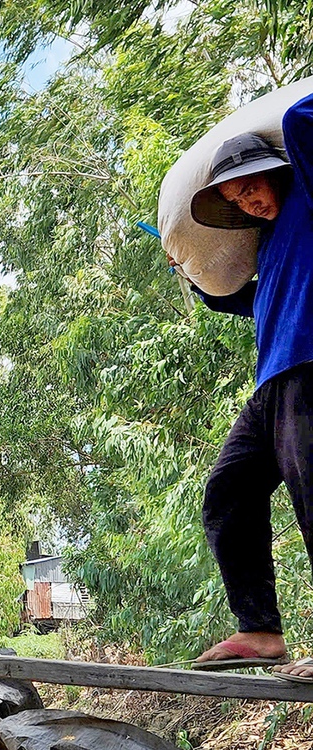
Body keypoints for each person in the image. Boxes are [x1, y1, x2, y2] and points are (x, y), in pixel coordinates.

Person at [182, 91, 313, 683]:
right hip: (272, 388)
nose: (249, 202)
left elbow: (299, 119)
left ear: (276, 169)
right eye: (236, 199)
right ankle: (260, 629)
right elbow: (243, 300)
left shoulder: (307, 195)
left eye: (252, 186)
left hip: (310, 368)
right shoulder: (270, 244)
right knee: (228, 493)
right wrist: (196, 281)